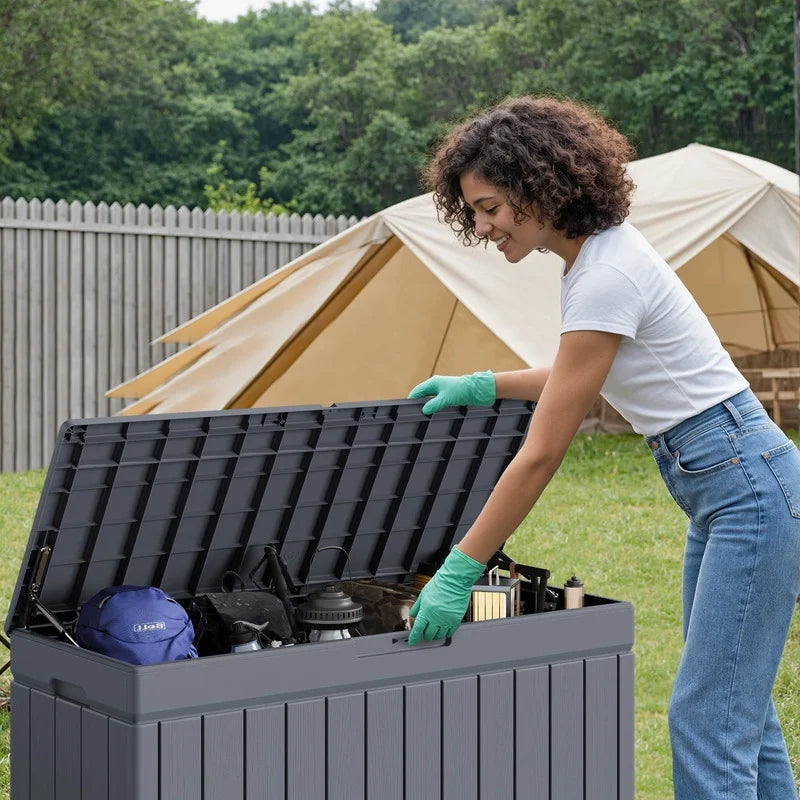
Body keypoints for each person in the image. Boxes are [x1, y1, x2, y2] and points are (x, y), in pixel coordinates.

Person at [406, 95, 800, 800]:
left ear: (537, 185)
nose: (484, 226)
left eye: (491, 206)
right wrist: (483, 384)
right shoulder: (598, 260)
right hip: (733, 483)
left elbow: (542, 454)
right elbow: (581, 372)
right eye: (474, 212)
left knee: (708, 720)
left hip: (746, 488)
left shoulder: (604, 275)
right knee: (740, 708)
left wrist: (462, 566)